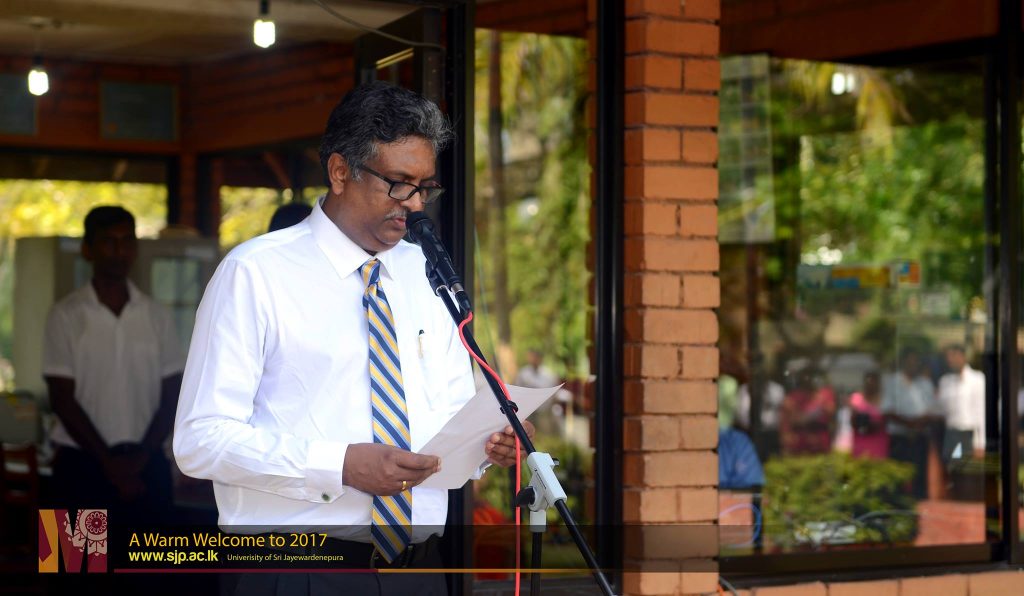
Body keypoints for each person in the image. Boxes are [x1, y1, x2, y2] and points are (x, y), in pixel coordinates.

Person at [173, 82, 532, 596]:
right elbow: (200, 440)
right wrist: (339, 466)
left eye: (425, 187)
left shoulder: (427, 272)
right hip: (300, 571)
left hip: (419, 572)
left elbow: (450, 412)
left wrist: (488, 442)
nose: (414, 204)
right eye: (398, 184)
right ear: (340, 172)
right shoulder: (255, 273)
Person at [43, 205, 184, 522]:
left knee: (152, 556)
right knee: (70, 554)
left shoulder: (156, 316)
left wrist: (138, 461)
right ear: (87, 249)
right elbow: (61, 399)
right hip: (79, 467)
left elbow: (173, 394)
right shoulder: (65, 315)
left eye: (127, 241)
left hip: (146, 465)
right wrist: (111, 465)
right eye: (109, 241)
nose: (119, 251)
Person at [881, 348, 940, 499]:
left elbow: (933, 411)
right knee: (897, 477)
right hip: (900, 437)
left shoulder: (925, 383)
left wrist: (918, 424)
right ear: (904, 362)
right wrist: (909, 424)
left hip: (920, 437)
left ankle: (920, 506)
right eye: (910, 361)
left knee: (919, 476)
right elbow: (887, 411)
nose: (913, 365)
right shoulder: (892, 382)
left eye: (916, 362)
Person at [937, 344, 986, 459]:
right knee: (951, 465)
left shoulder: (977, 379)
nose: (950, 360)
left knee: (967, 466)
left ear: (963, 357)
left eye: (953, 356)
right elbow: (941, 409)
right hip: (950, 432)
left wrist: (980, 443)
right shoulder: (945, 381)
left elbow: (981, 411)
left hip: (968, 433)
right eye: (948, 357)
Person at [849, 370, 889, 459]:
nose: (871, 385)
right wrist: (860, 421)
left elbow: (887, 420)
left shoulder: (884, 400)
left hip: (878, 442)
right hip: (861, 442)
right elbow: (852, 421)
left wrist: (874, 425)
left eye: (873, 382)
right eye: (868, 381)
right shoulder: (857, 398)